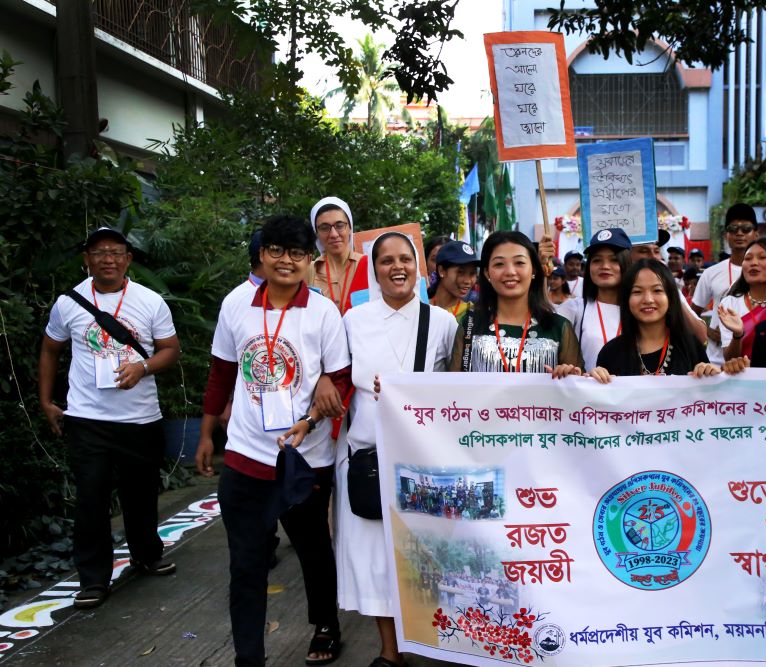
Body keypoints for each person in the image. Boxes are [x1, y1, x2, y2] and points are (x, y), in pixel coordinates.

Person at [197, 215, 351, 667]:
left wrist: (312, 412)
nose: (286, 261)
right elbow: (222, 372)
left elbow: (341, 379)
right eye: (277, 251)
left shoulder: (323, 312)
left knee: (312, 551)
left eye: (297, 253)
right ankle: (249, 656)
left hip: (305, 457)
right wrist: (207, 433)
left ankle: (326, 624)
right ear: (262, 255)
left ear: (310, 261)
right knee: (246, 563)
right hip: (245, 456)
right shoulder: (236, 304)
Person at [38, 227, 181, 609]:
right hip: (87, 418)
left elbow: (170, 349)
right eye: (99, 252)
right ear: (87, 258)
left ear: (128, 259)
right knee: (90, 498)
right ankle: (93, 579)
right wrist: (47, 400)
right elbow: (50, 349)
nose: (108, 259)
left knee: (141, 494)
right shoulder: (69, 302)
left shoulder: (150, 301)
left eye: (116, 252)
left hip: (140, 418)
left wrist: (144, 367)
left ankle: (147, 555)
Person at [336, 232, 458, 667]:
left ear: (419, 267)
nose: (397, 267)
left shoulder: (442, 322)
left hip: (425, 460)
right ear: (375, 269)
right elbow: (333, 373)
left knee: (429, 559)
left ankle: (436, 644)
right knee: (375, 562)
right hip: (369, 456)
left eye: (405, 258)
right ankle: (390, 653)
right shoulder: (353, 319)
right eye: (386, 260)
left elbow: (457, 389)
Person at [449, 230, 584, 375]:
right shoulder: (470, 324)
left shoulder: (559, 327)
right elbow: (455, 388)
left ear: (533, 269)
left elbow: (578, 389)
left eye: (519, 262)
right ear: (487, 273)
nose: (510, 271)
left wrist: (568, 374)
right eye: (499, 264)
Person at [590, 260, 719, 380]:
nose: (648, 299)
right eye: (637, 292)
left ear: (670, 297)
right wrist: (594, 381)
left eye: (657, 290)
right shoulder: (610, 353)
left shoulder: (690, 345)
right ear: (626, 299)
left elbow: (708, 398)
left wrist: (710, 373)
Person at [692, 203, 760, 363]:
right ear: (726, 235)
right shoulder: (711, 273)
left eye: (746, 228)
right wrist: (709, 331)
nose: (739, 233)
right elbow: (692, 313)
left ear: (756, 234)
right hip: (716, 361)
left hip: (754, 359)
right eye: (733, 229)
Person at [556, 229, 632, 371]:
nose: (605, 266)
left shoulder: (639, 309)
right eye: (597, 260)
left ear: (626, 263)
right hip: (586, 392)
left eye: (614, 260)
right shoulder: (573, 308)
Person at [714, 238, 766, 361]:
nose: (753, 263)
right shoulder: (729, 304)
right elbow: (729, 358)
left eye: (762, 257)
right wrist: (737, 335)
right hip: (744, 377)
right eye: (748, 258)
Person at [310, 196, 368, 315]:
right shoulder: (308, 272)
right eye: (324, 228)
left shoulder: (370, 265)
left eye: (340, 225)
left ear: (350, 227)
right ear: (316, 233)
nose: (334, 234)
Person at [431, 240, 478, 320]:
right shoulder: (420, 306)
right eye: (461, 272)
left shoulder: (472, 315)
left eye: (472, 273)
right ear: (441, 271)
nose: (468, 281)